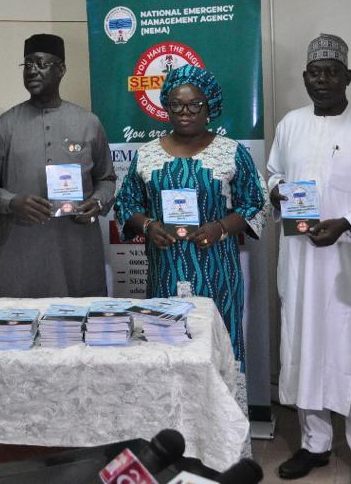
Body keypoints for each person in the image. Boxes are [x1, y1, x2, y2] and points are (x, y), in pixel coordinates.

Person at [266, 34, 351, 484]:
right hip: (299, 258)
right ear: (305, 77)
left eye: (332, 72)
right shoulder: (291, 123)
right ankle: (314, 444)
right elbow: (273, 174)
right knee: (302, 343)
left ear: (347, 77)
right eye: (315, 73)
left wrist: (346, 223)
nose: (323, 80)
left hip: (347, 260)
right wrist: (277, 192)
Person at [114, 64, 268, 365]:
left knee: (218, 347)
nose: (185, 112)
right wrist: (148, 226)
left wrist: (220, 227)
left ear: (209, 106)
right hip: (164, 270)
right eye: (176, 104)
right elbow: (125, 203)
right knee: (165, 349)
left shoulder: (231, 152)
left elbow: (255, 202)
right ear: (166, 107)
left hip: (217, 272)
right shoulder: (146, 154)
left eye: (195, 104)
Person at [0, 33, 115, 296]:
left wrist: (97, 203)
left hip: (77, 247)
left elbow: (106, 179)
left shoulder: (88, 123)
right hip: (21, 247)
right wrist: (12, 202)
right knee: (20, 315)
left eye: (41, 64)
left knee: (80, 315)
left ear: (61, 69)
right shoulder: (5, 124)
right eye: (27, 64)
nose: (32, 71)